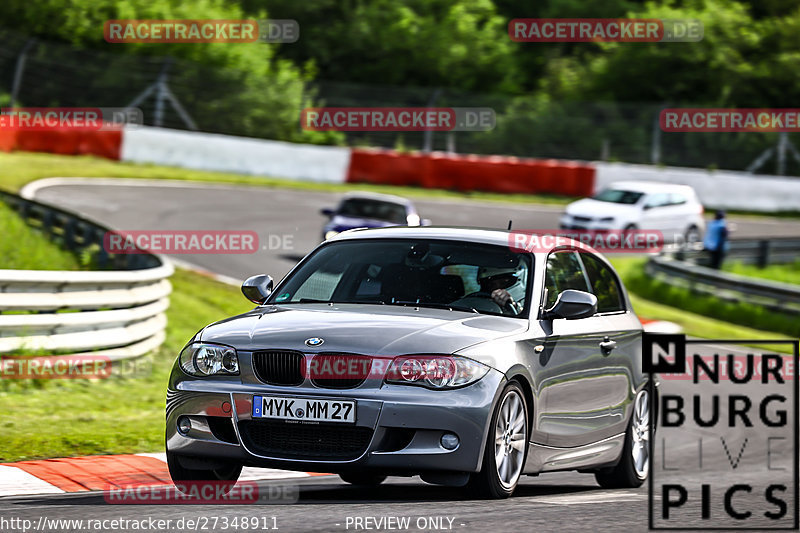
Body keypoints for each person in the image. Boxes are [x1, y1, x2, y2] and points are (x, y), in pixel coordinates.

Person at [452, 264, 525, 315]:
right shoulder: (462, 305)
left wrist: (513, 306)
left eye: (504, 283)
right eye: (490, 284)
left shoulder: (526, 305)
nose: (497, 289)